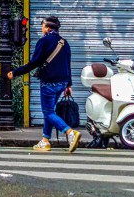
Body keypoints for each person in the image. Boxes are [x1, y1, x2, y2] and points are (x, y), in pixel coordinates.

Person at [8, 15, 82, 153]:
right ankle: (45, 141)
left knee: (48, 112)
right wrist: (68, 85)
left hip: (49, 82)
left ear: (47, 27)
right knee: (50, 112)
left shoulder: (44, 41)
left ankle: (70, 132)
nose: (42, 28)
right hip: (62, 82)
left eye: (42, 25)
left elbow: (34, 63)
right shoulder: (64, 43)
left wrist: (16, 72)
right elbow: (68, 65)